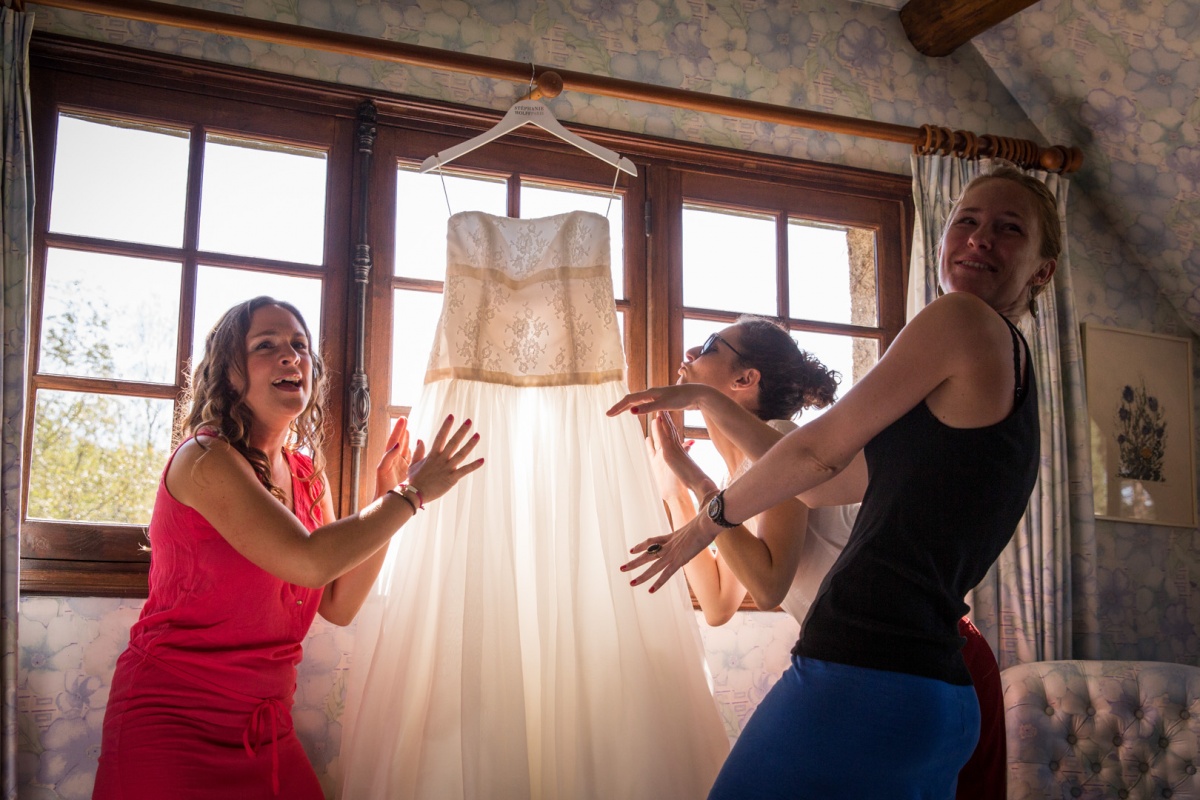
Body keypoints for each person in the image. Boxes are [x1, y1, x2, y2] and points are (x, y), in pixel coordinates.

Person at [611, 163, 1056, 798]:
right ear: (942, 241)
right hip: (932, 691)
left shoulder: (960, 320)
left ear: (1042, 269)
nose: (980, 238)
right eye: (966, 221)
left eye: (1009, 229)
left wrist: (698, 529)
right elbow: (823, 479)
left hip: (869, 674)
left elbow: (816, 454)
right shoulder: (995, 369)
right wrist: (707, 408)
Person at [93, 296, 484, 800]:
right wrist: (410, 495)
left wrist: (386, 495)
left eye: (299, 346)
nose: (290, 356)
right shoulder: (205, 459)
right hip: (173, 725)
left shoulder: (305, 473)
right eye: (266, 345)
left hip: (265, 730)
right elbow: (310, 560)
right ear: (229, 373)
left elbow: (338, 604)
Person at [647, 320, 1006, 800]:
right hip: (876, 665)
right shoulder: (742, 478)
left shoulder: (781, 443)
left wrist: (701, 488)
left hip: (938, 658)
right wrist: (677, 490)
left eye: (711, 345)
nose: (691, 348)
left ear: (745, 379)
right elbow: (718, 605)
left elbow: (770, 584)